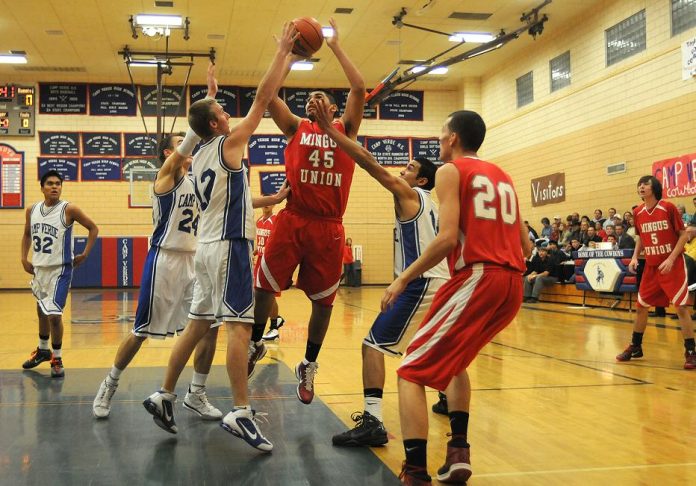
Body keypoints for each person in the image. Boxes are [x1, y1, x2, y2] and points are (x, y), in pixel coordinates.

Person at [142, 24, 296, 451]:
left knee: (195, 327)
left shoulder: (202, 153)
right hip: (229, 247)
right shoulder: (228, 144)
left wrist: (275, 197)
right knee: (240, 329)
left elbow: (241, 197)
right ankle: (242, 412)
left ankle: (164, 394)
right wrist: (282, 53)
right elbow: (264, 99)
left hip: (208, 249)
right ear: (216, 123)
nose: (230, 115)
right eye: (223, 112)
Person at [381, 110, 532, 484]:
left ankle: (415, 471)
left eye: (441, 132)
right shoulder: (504, 176)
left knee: (409, 371)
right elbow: (526, 245)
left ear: (453, 139)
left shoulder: (451, 171)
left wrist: (402, 279)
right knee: (456, 361)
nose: (439, 139)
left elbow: (447, 238)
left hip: (478, 276)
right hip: (511, 283)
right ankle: (458, 452)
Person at [313, 101, 449, 447]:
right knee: (427, 348)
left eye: (409, 167)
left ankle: (373, 422)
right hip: (439, 282)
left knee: (372, 346)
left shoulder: (411, 194)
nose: (401, 171)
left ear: (420, 179)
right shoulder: (433, 205)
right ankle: (449, 397)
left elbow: (370, 164)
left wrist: (331, 131)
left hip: (421, 283)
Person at [252, 18, 366, 405]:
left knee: (324, 303)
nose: (312, 101)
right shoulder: (295, 127)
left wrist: (333, 45)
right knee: (263, 287)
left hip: (328, 228)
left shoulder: (345, 130)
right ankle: (255, 342)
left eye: (321, 97)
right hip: (293, 218)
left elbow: (359, 88)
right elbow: (266, 96)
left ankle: (308, 364)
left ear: (333, 108)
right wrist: (283, 53)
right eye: (309, 98)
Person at [93, 128, 221, 419]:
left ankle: (197, 394)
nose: (192, 145)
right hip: (165, 260)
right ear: (169, 153)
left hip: (195, 260)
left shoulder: (199, 183)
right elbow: (185, 147)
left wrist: (273, 198)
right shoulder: (166, 178)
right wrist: (197, 122)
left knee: (209, 328)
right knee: (140, 332)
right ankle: (109, 383)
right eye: (182, 144)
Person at [21, 170, 99, 378]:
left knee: (54, 315)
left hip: (60, 270)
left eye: (58, 183)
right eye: (50, 183)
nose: (55, 186)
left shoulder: (68, 209)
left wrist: (84, 254)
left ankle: (57, 357)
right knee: (41, 310)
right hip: (40, 269)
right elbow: (27, 234)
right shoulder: (32, 210)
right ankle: (43, 349)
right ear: (42, 187)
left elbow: (93, 228)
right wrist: (23, 258)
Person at [616, 176, 695, 369]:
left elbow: (684, 235)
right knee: (642, 306)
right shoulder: (637, 212)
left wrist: (670, 258)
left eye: (646, 184)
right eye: (639, 184)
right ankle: (635, 346)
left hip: (672, 264)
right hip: (651, 267)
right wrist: (635, 257)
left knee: (681, 308)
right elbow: (641, 238)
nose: (641, 187)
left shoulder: (668, 207)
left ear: (655, 188)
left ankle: (691, 351)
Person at [254, 201, 285, 341]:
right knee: (258, 295)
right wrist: (254, 251)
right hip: (259, 260)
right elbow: (260, 243)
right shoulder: (259, 221)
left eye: (269, 202)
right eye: (264, 201)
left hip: (270, 261)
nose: (266, 204)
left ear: (273, 205)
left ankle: (274, 327)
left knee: (269, 295)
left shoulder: (275, 220)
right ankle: (276, 320)